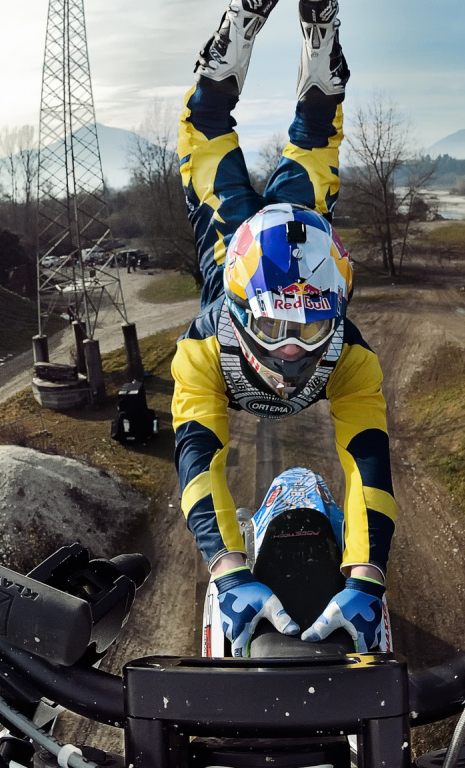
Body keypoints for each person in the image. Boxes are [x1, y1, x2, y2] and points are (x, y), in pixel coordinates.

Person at [171, 0, 395, 657]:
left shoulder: (210, 350)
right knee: (309, 142)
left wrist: (367, 574)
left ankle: (258, 35)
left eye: (311, 323)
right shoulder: (207, 350)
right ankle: (285, 37)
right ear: (244, 315)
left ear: (336, 308)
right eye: (272, 324)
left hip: (267, 252)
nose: (292, 346)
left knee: (207, 136)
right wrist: (228, 568)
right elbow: (198, 459)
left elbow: (369, 462)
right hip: (257, 243)